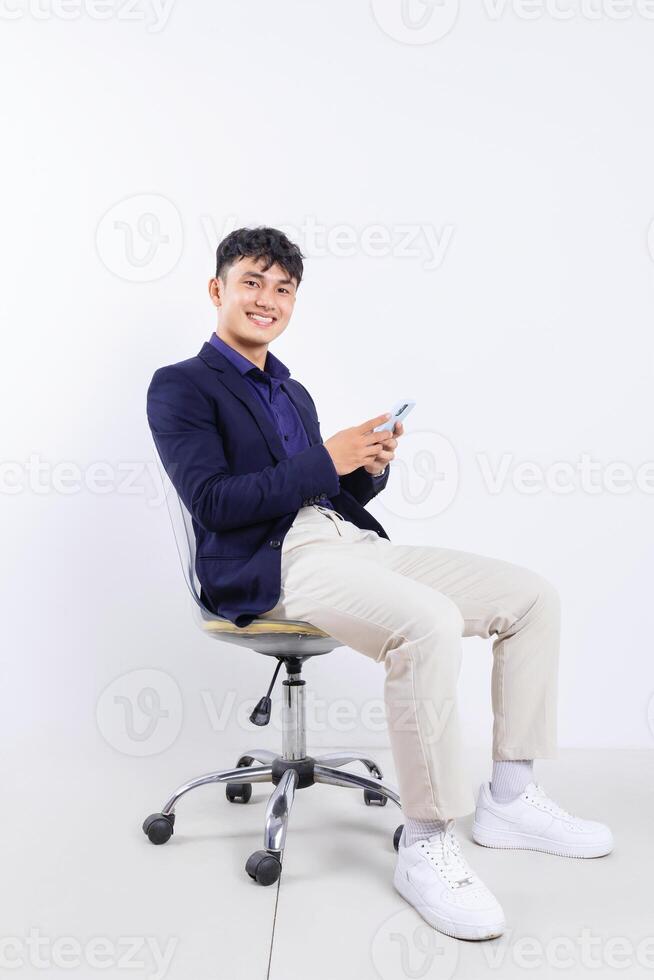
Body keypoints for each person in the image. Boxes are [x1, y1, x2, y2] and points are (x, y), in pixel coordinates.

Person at [146, 226, 613, 942]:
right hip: (274, 563)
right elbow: (215, 501)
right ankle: (427, 844)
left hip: (349, 544)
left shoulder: (291, 391)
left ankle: (511, 800)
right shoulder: (180, 386)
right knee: (425, 623)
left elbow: (326, 495)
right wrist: (324, 461)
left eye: (283, 288)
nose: (268, 299)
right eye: (252, 282)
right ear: (217, 290)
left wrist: (366, 466)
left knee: (531, 596)